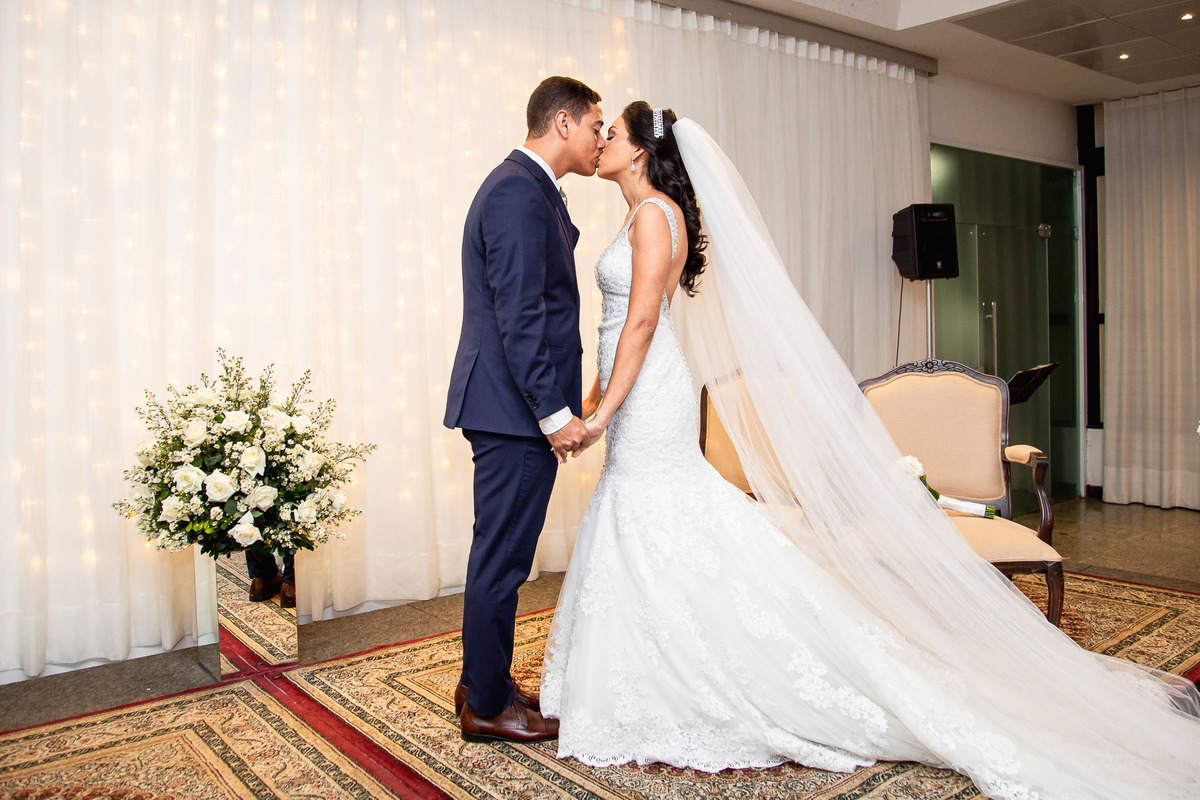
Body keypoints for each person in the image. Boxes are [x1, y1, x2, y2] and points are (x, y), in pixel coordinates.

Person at [540, 102, 1200, 798]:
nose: (604, 139)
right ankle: (655, 661)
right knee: (650, 517)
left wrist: (604, 411)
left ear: (641, 153)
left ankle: (684, 667)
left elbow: (643, 319)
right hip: (639, 386)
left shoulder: (651, 217)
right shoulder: (648, 214)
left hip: (646, 393)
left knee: (653, 511)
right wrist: (594, 396)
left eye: (614, 133)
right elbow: (623, 325)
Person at [443, 76, 606, 743]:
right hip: (513, 410)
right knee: (504, 559)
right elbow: (520, 315)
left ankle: (483, 682)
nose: (602, 140)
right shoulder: (516, 190)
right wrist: (554, 414)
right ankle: (485, 707)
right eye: (596, 126)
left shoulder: (527, 187)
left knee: (500, 553)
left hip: (509, 407)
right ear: (563, 123)